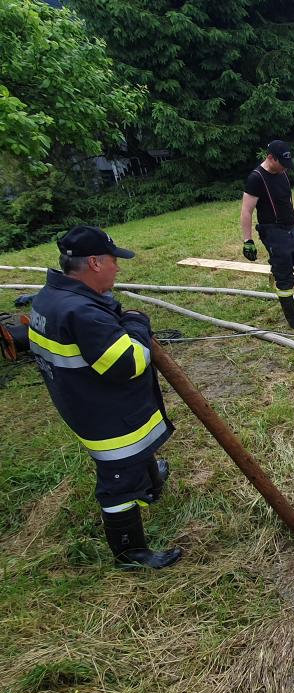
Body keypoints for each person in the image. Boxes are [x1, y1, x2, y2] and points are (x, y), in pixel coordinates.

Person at [28, 226, 181, 569]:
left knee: (135, 457)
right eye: (114, 260)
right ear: (95, 263)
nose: (118, 267)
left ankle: (150, 483)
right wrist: (136, 324)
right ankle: (131, 553)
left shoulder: (50, 297)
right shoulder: (82, 312)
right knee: (118, 481)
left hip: (85, 402)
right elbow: (128, 363)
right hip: (106, 416)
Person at [241, 140, 294, 333]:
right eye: (282, 164)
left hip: (290, 230)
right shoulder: (256, 178)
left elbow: (285, 202)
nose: (285, 168)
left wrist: (293, 223)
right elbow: (246, 211)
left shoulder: (282, 172)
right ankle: (293, 321)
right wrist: (248, 240)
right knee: (285, 277)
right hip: (272, 233)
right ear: (271, 158)